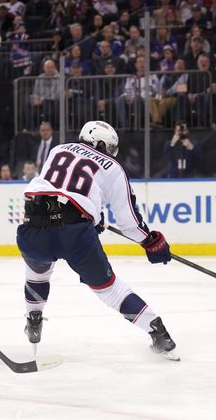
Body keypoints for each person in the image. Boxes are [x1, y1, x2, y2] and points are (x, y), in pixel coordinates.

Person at [17, 120, 179, 360]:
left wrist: (93, 216)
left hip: (33, 227)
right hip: (75, 234)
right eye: (110, 147)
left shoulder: (58, 149)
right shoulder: (113, 167)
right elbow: (129, 222)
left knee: (37, 271)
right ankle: (159, 333)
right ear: (100, 142)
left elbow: (57, 189)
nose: (112, 152)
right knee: (110, 290)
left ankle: (34, 318)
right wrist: (150, 241)